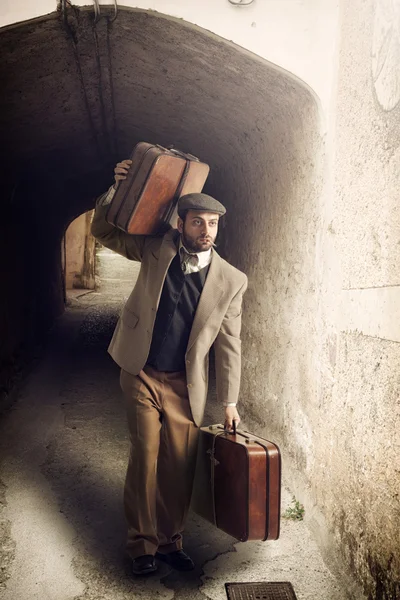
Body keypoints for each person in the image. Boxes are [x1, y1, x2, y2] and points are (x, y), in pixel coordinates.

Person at [91, 159, 248, 576]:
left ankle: (169, 542)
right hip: (140, 370)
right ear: (181, 224)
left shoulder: (232, 281)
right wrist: (116, 192)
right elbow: (104, 231)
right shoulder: (155, 246)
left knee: (179, 466)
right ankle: (142, 545)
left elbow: (230, 343)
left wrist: (229, 401)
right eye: (198, 223)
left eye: (213, 224)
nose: (206, 232)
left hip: (184, 384)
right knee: (145, 456)